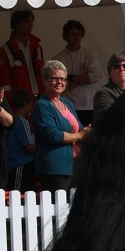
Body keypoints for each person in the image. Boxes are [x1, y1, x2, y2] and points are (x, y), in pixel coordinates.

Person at [32, 61, 90, 195]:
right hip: (55, 169)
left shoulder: (67, 103)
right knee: (57, 210)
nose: (59, 82)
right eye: (55, 78)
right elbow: (53, 135)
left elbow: (79, 128)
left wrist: (86, 132)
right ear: (44, 81)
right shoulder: (42, 106)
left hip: (75, 165)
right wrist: (81, 135)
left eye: (62, 79)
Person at [52, 20, 102, 127]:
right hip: (67, 105)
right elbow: (62, 85)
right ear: (66, 36)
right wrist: (84, 78)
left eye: (79, 34)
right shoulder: (58, 58)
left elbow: (96, 75)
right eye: (73, 34)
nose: (77, 37)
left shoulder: (89, 54)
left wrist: (70, 77)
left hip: (88, 105)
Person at [0, 10, 45, 95]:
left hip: (39, 98)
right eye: (26, 21)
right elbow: (5, 83)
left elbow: (42, 75)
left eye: (31, 21)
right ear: (16, 24)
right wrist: (11, 105)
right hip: (20, 103)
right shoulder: (5, 51)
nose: (30, 25)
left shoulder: (37, 47)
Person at [5, 90, 36, 193]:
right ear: (25, 104)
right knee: (18, 195)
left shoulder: (9, 120)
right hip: (20, 164)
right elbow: (29, 146)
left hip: (13, 164)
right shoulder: (21, 121)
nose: (32, 108)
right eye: (31, 105)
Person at [93, 51, 125, 127]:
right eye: (117, 66)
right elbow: (106, 121)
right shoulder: (103, 93)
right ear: (109, 71)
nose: (122, 69)